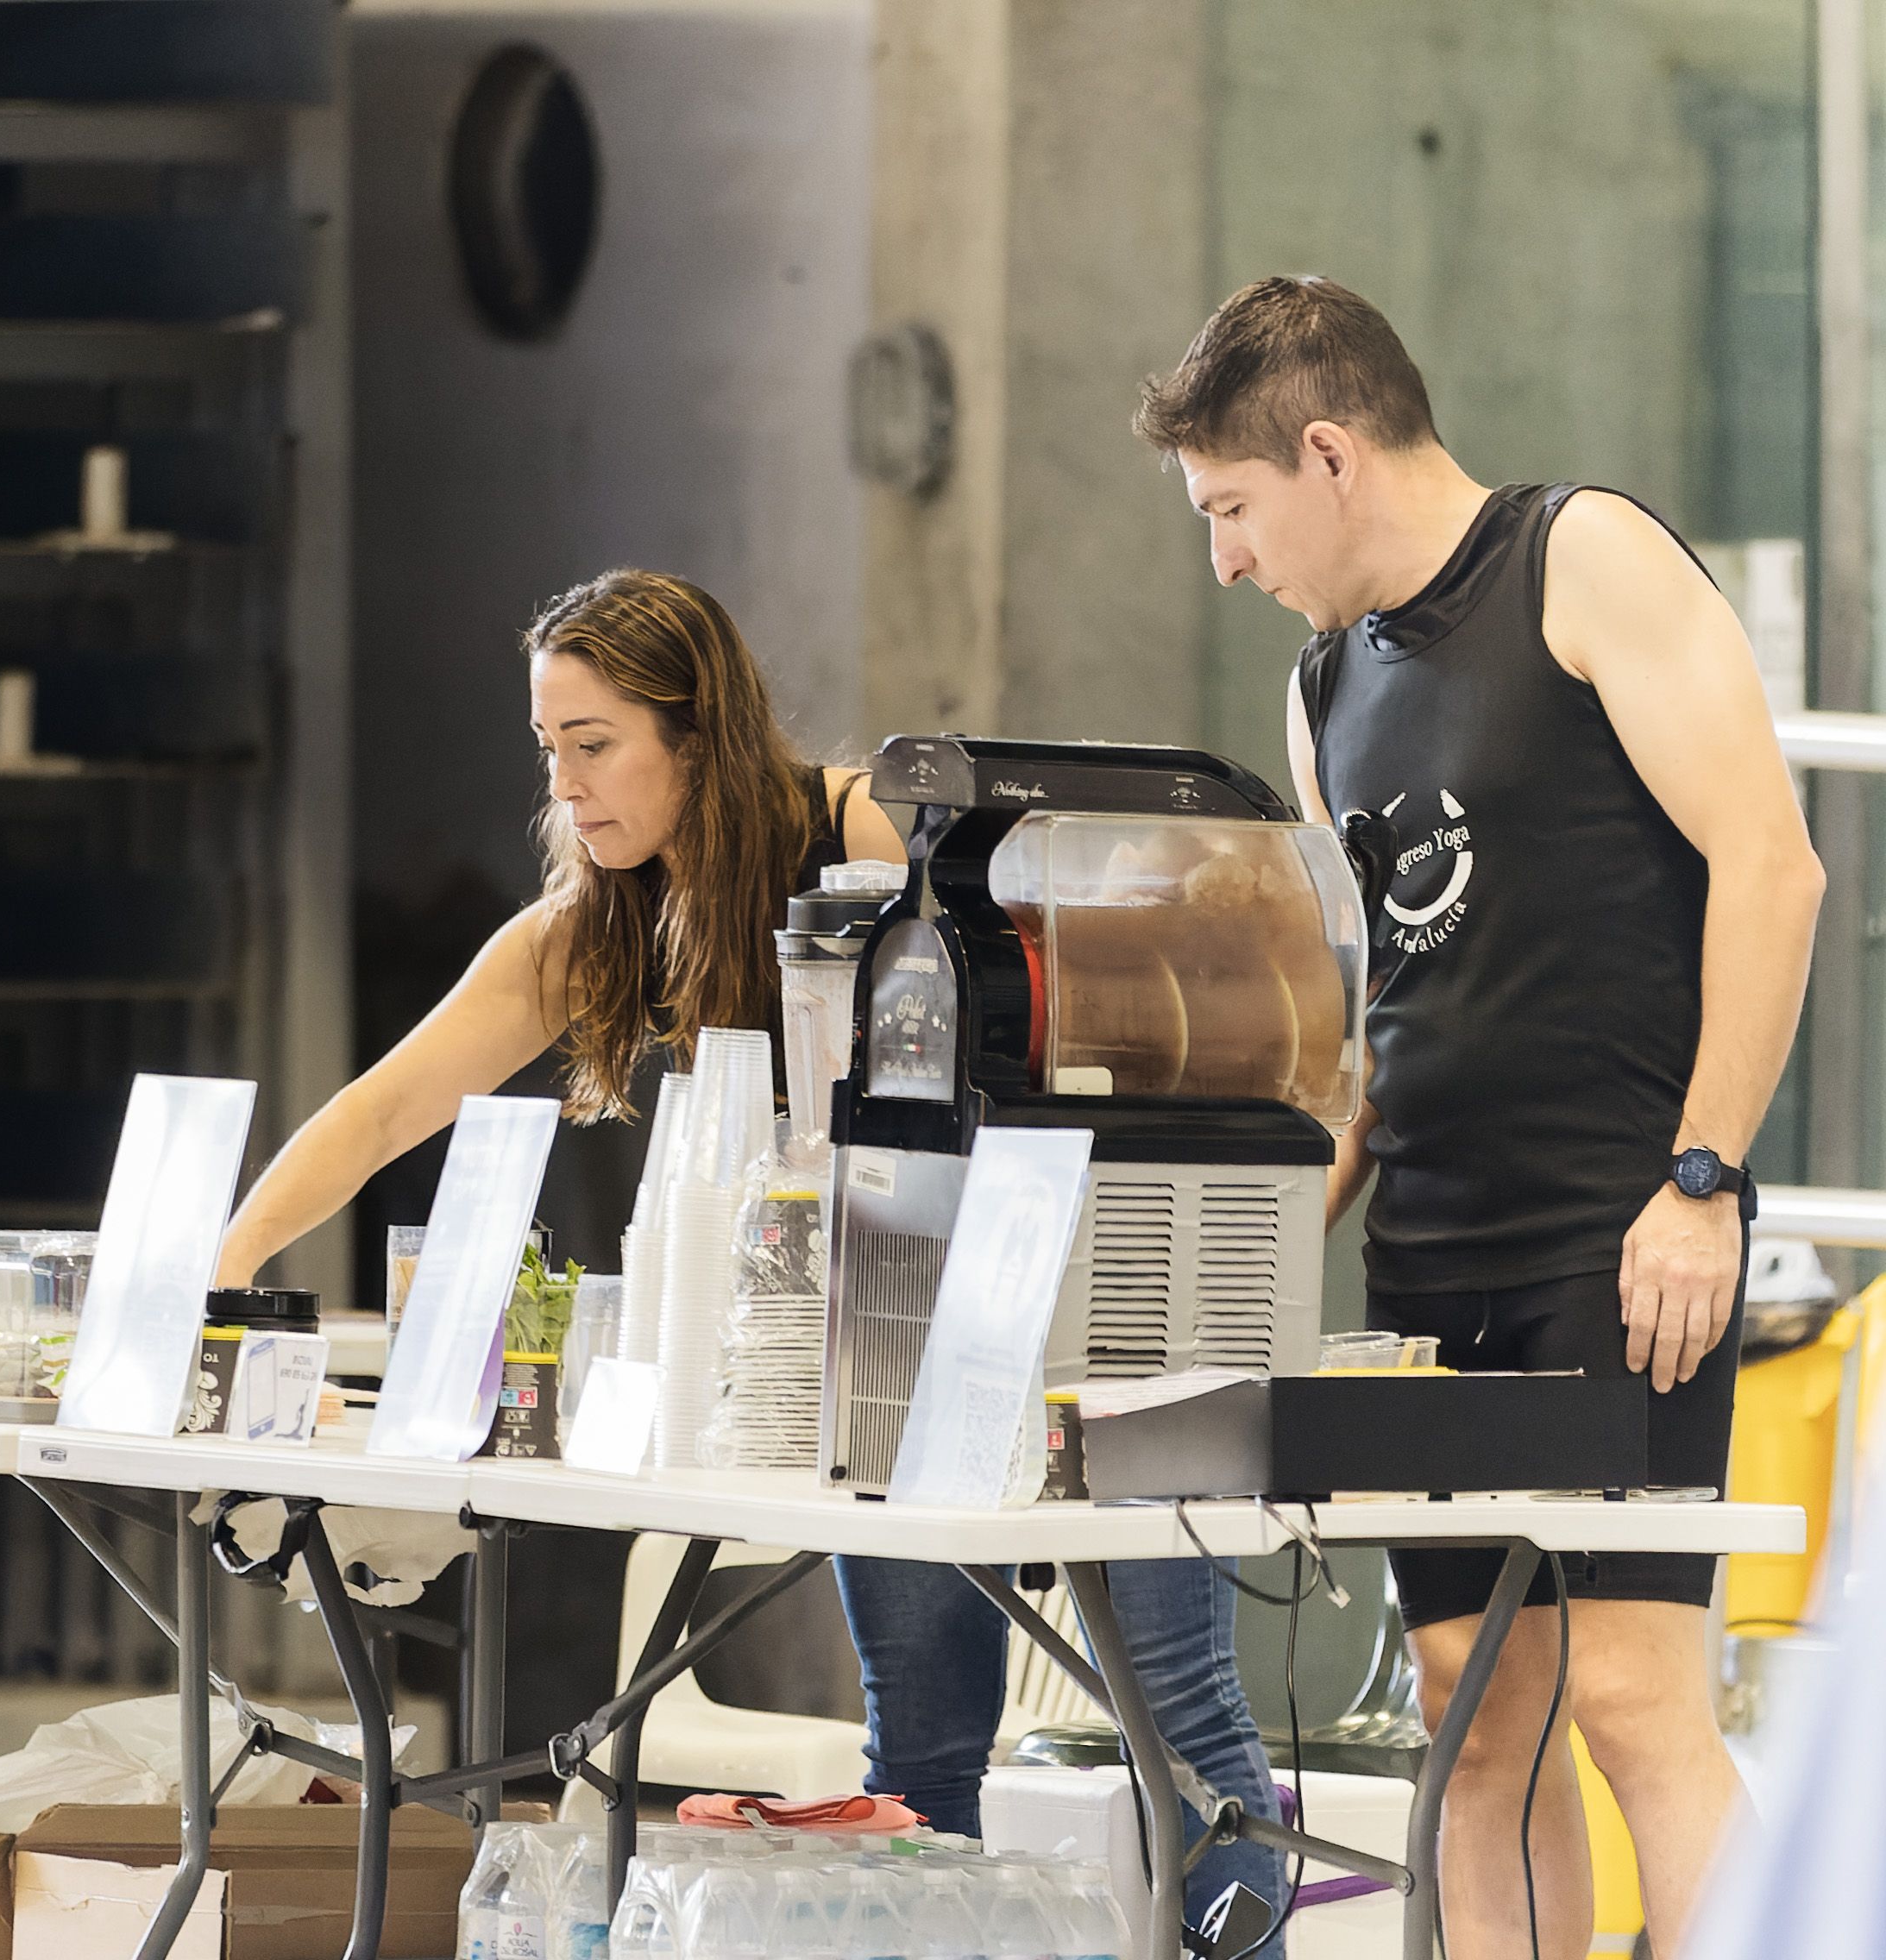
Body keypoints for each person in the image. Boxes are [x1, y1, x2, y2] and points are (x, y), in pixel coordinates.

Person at [214, 568, 1293, 1936]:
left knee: (1182, 1730)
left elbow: (1125, 985)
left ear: (698, 731)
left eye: (595, 746)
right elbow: (385, 1104)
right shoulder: (601, 922)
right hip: (887, 1363)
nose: (569, 787)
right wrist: (220, 1270)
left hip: (1098, 1321)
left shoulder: (880, 833)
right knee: (916, 1756)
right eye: (549, 752)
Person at [1137, 276, 1825, 1957]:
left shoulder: (1579, 558)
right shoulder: (1321, 691)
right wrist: (1282, 1188)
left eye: (1232, 509)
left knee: (1639, 1702)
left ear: (1326, 452)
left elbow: (1774, 863)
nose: (1225, 557)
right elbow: (1393, 999)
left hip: (1621, 1237)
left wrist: (1703, 1176)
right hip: (1430, 1257)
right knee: (1475, 1713)